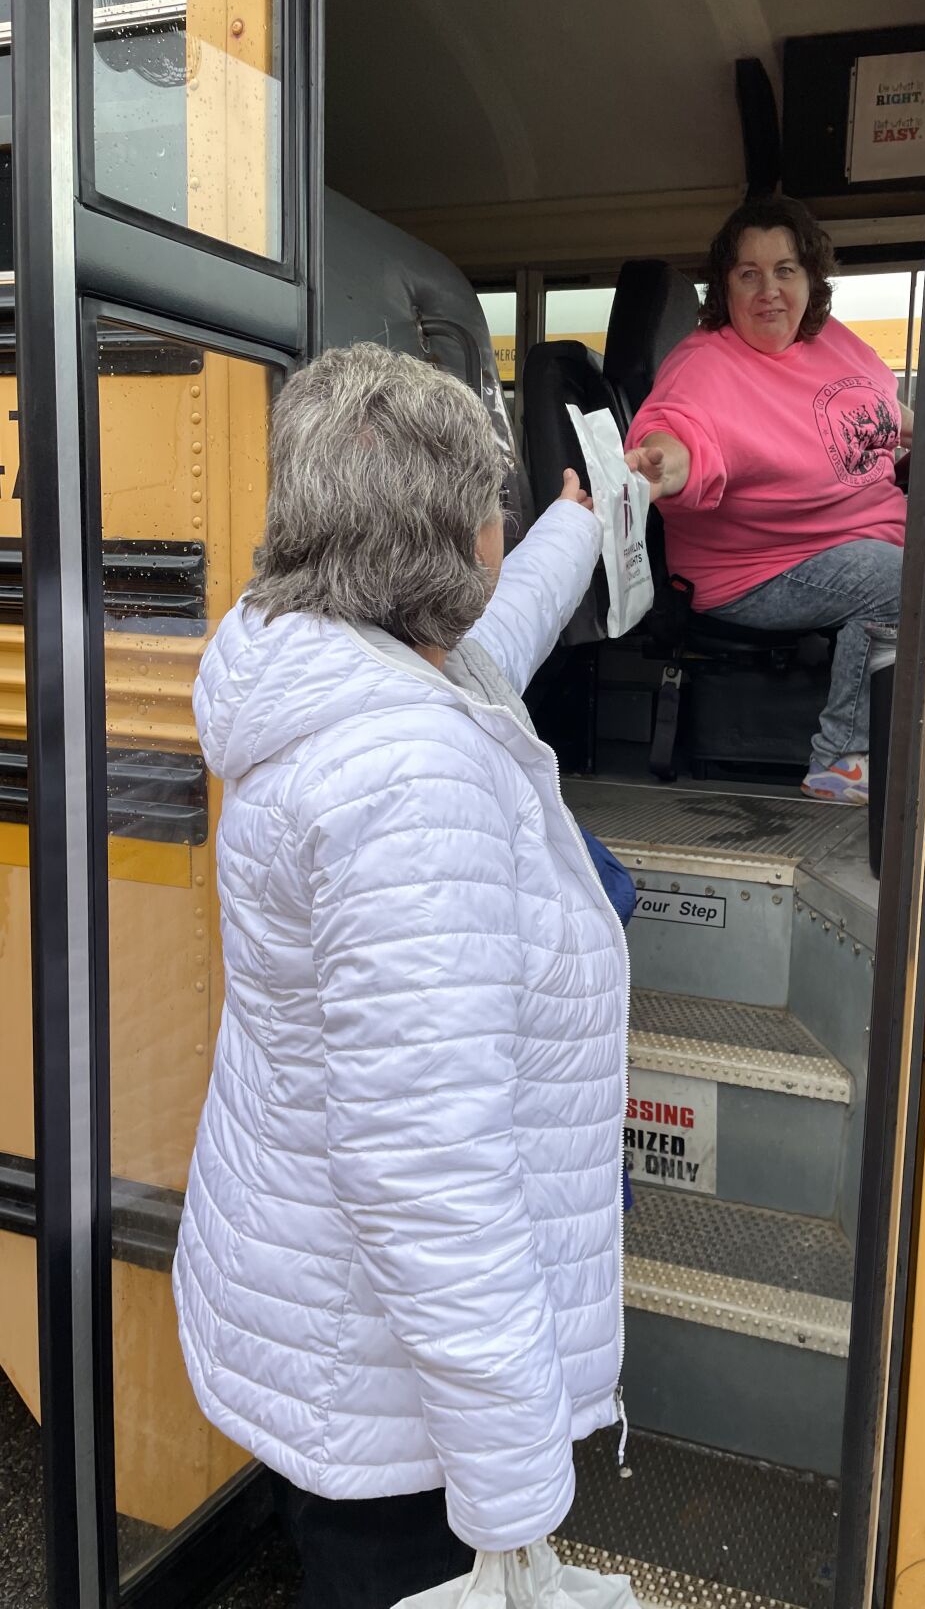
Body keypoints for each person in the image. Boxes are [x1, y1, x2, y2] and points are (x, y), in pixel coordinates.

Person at [172, 342, 630, 1609]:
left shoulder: (335, 661)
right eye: (493, 504)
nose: (500, 532)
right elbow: (428, 1171)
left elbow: (509, 627)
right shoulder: (408, 779)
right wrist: (514, 1485)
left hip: (330, 1324)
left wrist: (575, 526)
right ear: (446, 543)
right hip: (402, 1411)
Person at [625, 197, 912, 804]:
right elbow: (677, 433)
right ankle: (841, 760)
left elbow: (881, 417)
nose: (769, 291)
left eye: (785, 270)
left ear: (811, 280)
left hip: (855, 535)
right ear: (725, 286)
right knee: (898, 581)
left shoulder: (830, 342)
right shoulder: (705, 363)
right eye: (747, 274)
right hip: (753, 571)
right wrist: (662, 464)